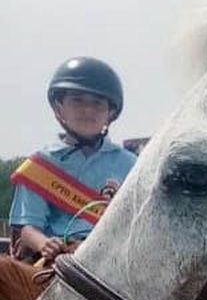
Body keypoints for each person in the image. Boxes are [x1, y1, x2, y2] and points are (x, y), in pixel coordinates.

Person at [10, 58, 137, 264]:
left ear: (110, 113)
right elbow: (28, 227)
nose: (87, 110)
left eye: (97, 103)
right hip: (54, 260)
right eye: (77, 101)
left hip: (113, 262)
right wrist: (45, 244)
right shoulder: (40, 165)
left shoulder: (132, 165)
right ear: (59, 108)